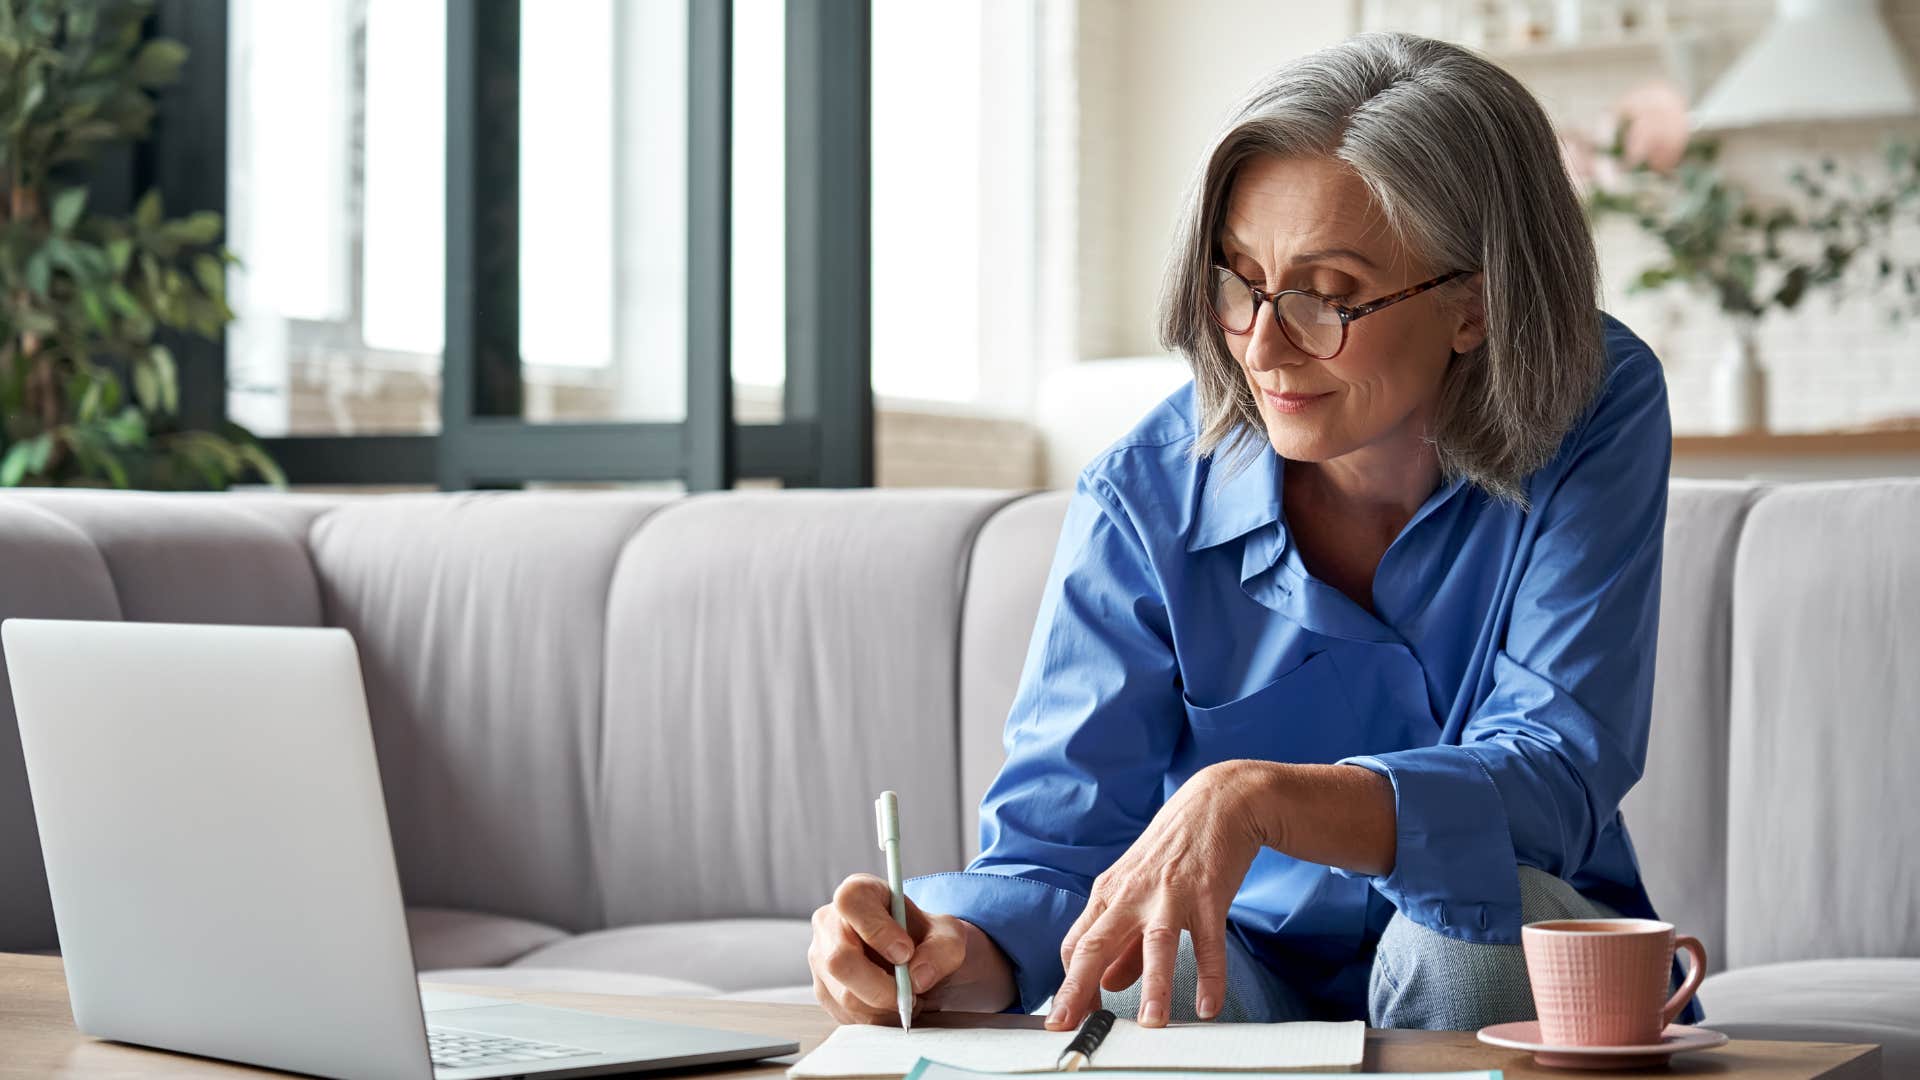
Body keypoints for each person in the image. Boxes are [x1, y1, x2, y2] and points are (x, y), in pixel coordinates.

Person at [806, 29, 1703, 1033]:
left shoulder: (1594, 404)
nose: (1263, 346)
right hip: (1243, 963)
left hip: (1495, 947)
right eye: (1238, 280)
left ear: (1474, 306)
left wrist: (1261, 796)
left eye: (1330, 295)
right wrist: (941, 955)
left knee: (1472, 925)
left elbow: (1555, 768)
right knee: (1136, 958)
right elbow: (1058, 858)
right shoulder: (1143, 494)